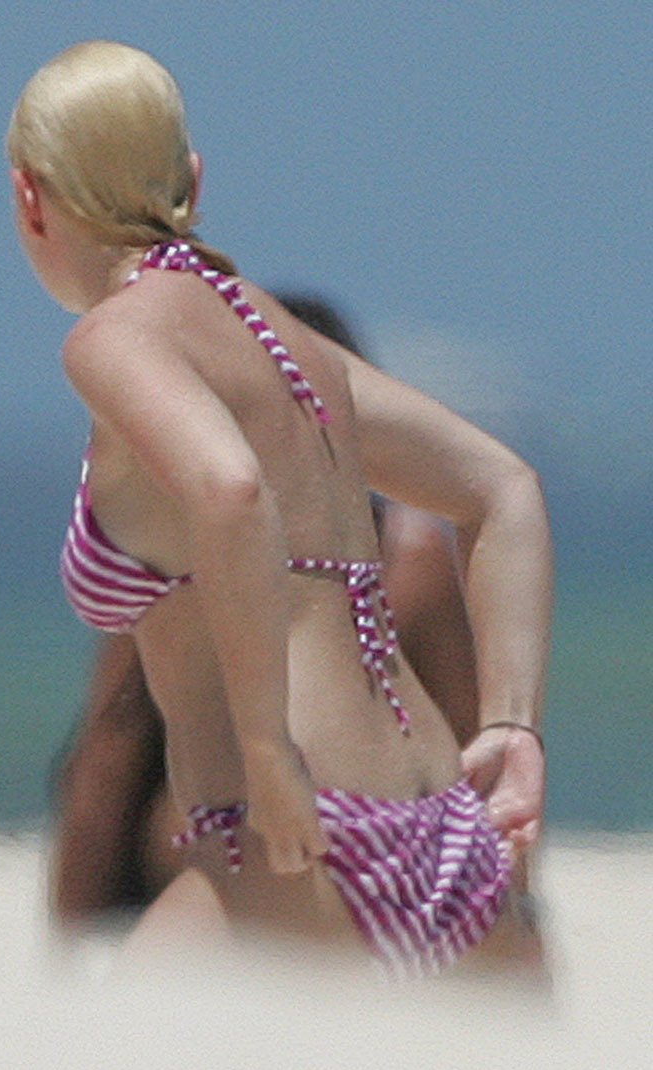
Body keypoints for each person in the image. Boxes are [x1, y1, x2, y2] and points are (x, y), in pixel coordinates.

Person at [8, 41, 551, 980]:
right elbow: (503, 488)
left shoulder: (113, 339)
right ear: (192, 178)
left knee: (91, 1060)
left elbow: (229, 489)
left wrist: (266, 753)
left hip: (294, 827)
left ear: (30, 197)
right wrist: (513, 726)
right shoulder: (283, 342)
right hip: (445, 833)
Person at [48, 297, 482, 927]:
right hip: (379, 879)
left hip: (226, 866)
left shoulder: (180, 552)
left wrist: (77, 931)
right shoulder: (409, 561)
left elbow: (110, 749)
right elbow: (472, 760)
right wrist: (509, 915)